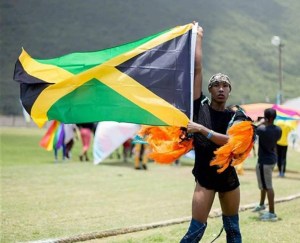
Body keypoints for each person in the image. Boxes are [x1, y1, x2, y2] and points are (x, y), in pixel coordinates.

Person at [181, 22, 243, 242]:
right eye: (216, 85)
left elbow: (233, 142)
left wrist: (202, 130)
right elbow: (197, 68)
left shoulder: (237, 116)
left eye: (225, 85)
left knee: (233, 231)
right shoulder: (199, 108)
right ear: (209, 89)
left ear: (229, 90)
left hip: (228, 180)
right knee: (195, 232)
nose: (220, 88)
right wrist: (199, 37)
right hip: (204, 179)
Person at [252, 109, 282, 221]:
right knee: (264, 184)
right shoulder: (278, 130)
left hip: (265, 161)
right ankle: (261, 204)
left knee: (268, 186)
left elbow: (253, 128)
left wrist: (260, 123)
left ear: (267, 118)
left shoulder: (261, 129)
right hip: (271, 159)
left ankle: (272, 213)